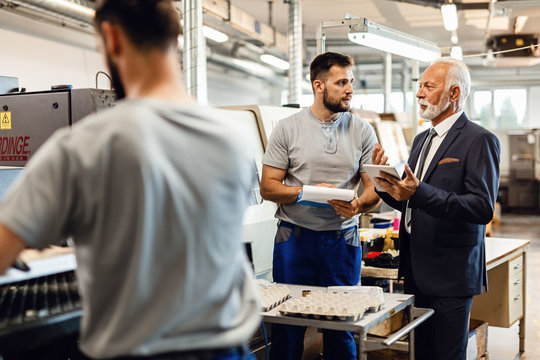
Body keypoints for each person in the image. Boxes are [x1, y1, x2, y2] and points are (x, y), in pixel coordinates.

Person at [0, 1, 260, 359]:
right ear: (174, 37)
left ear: (112, 37)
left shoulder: (86, 146)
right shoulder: (234, 140)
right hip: (228, 349)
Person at [372, 57, 500, 360]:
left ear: (453, 94)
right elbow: (411, 201)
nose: (419, 94)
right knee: (421, 353)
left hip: (451, 274)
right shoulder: (421, 140)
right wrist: (385, 186)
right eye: (420, 87)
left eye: (428, 87)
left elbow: (482, 207)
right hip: (416, 270)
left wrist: (420, 192)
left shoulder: (479, 140)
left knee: (447, 355)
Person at [260, 52, 380, 360]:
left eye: (351, 82)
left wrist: (358, 205)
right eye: (341, 83)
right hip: (295, 239)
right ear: (318, 86)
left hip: (343, 241)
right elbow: (268, 187)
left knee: (341, 330)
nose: (349, 89)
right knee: (288, 328)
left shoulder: (362, 130)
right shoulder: (287, 129)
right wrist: (305, 192)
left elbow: (373, 191)